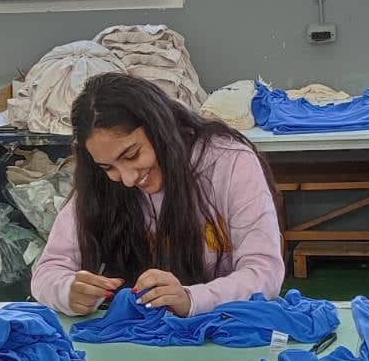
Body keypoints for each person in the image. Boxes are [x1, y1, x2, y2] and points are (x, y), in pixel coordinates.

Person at [30, 73, 285, 318]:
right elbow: (48, 271)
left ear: (159, 129)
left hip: (224, 326)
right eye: (108, 167)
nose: (127, 179)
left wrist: (192, 299)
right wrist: (67, 291)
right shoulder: (100, 183)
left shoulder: (230, 162)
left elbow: (264, 272)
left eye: (132, 155)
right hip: (138, 333)